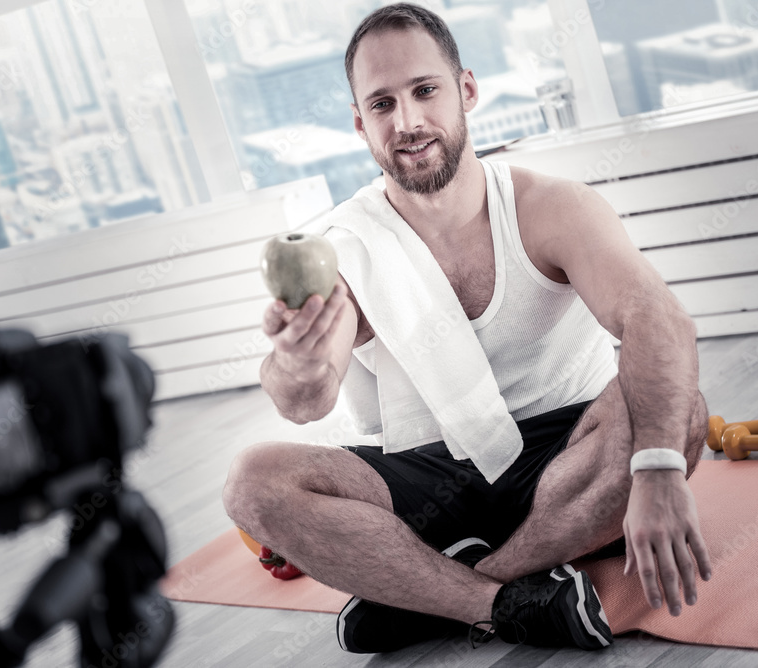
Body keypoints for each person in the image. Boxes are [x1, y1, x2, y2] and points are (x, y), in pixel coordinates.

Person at [223, 2, 712, 655]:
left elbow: (656, 318)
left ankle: (438, 590)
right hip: (431, 478)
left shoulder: (551, 207)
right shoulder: (346, 246)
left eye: (425, 91)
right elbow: (304, 401)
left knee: (678, 410)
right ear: (360, 124)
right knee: (253, 481)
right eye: (382, 105)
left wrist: (654, 470)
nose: (408, 121)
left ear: (467, 90)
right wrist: (296, 361)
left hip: (570, 457)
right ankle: (498, 603)